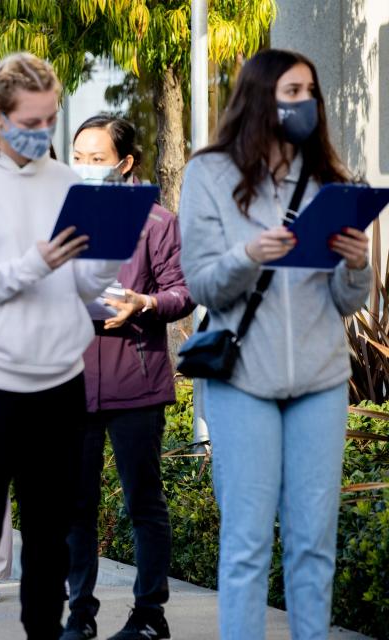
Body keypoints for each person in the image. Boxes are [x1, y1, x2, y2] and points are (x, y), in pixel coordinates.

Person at [179, 49, 371, 640]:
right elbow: (202, 283)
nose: (305, 103)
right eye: (292, 92)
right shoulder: (208, 175)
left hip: (320, 379)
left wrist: (358, 267)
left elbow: (345, 302)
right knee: (247, 542)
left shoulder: (329, 182)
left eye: (309, 92)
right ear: (261, 97)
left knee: (314, 542)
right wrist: (248, 254)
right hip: (243, 381)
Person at [0, 52, 121, 639]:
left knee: (50, 537)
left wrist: (106, 247)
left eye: (50, 121)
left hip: (58, 380)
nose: (43, 134)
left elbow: (83, 282)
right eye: (31, 122)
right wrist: (34, 263)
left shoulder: (65, 181)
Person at [62, 115, 196, 640]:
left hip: (135, 382)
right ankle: (79, 616)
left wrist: (144, 303)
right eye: (78, 158)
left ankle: (149, 615)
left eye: (97, 160)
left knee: (143, 501)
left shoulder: (157, 222)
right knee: (76, 507)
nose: (86, 169)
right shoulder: (62, 218)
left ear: (125, 163)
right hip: (70, 380)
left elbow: (182, 292)